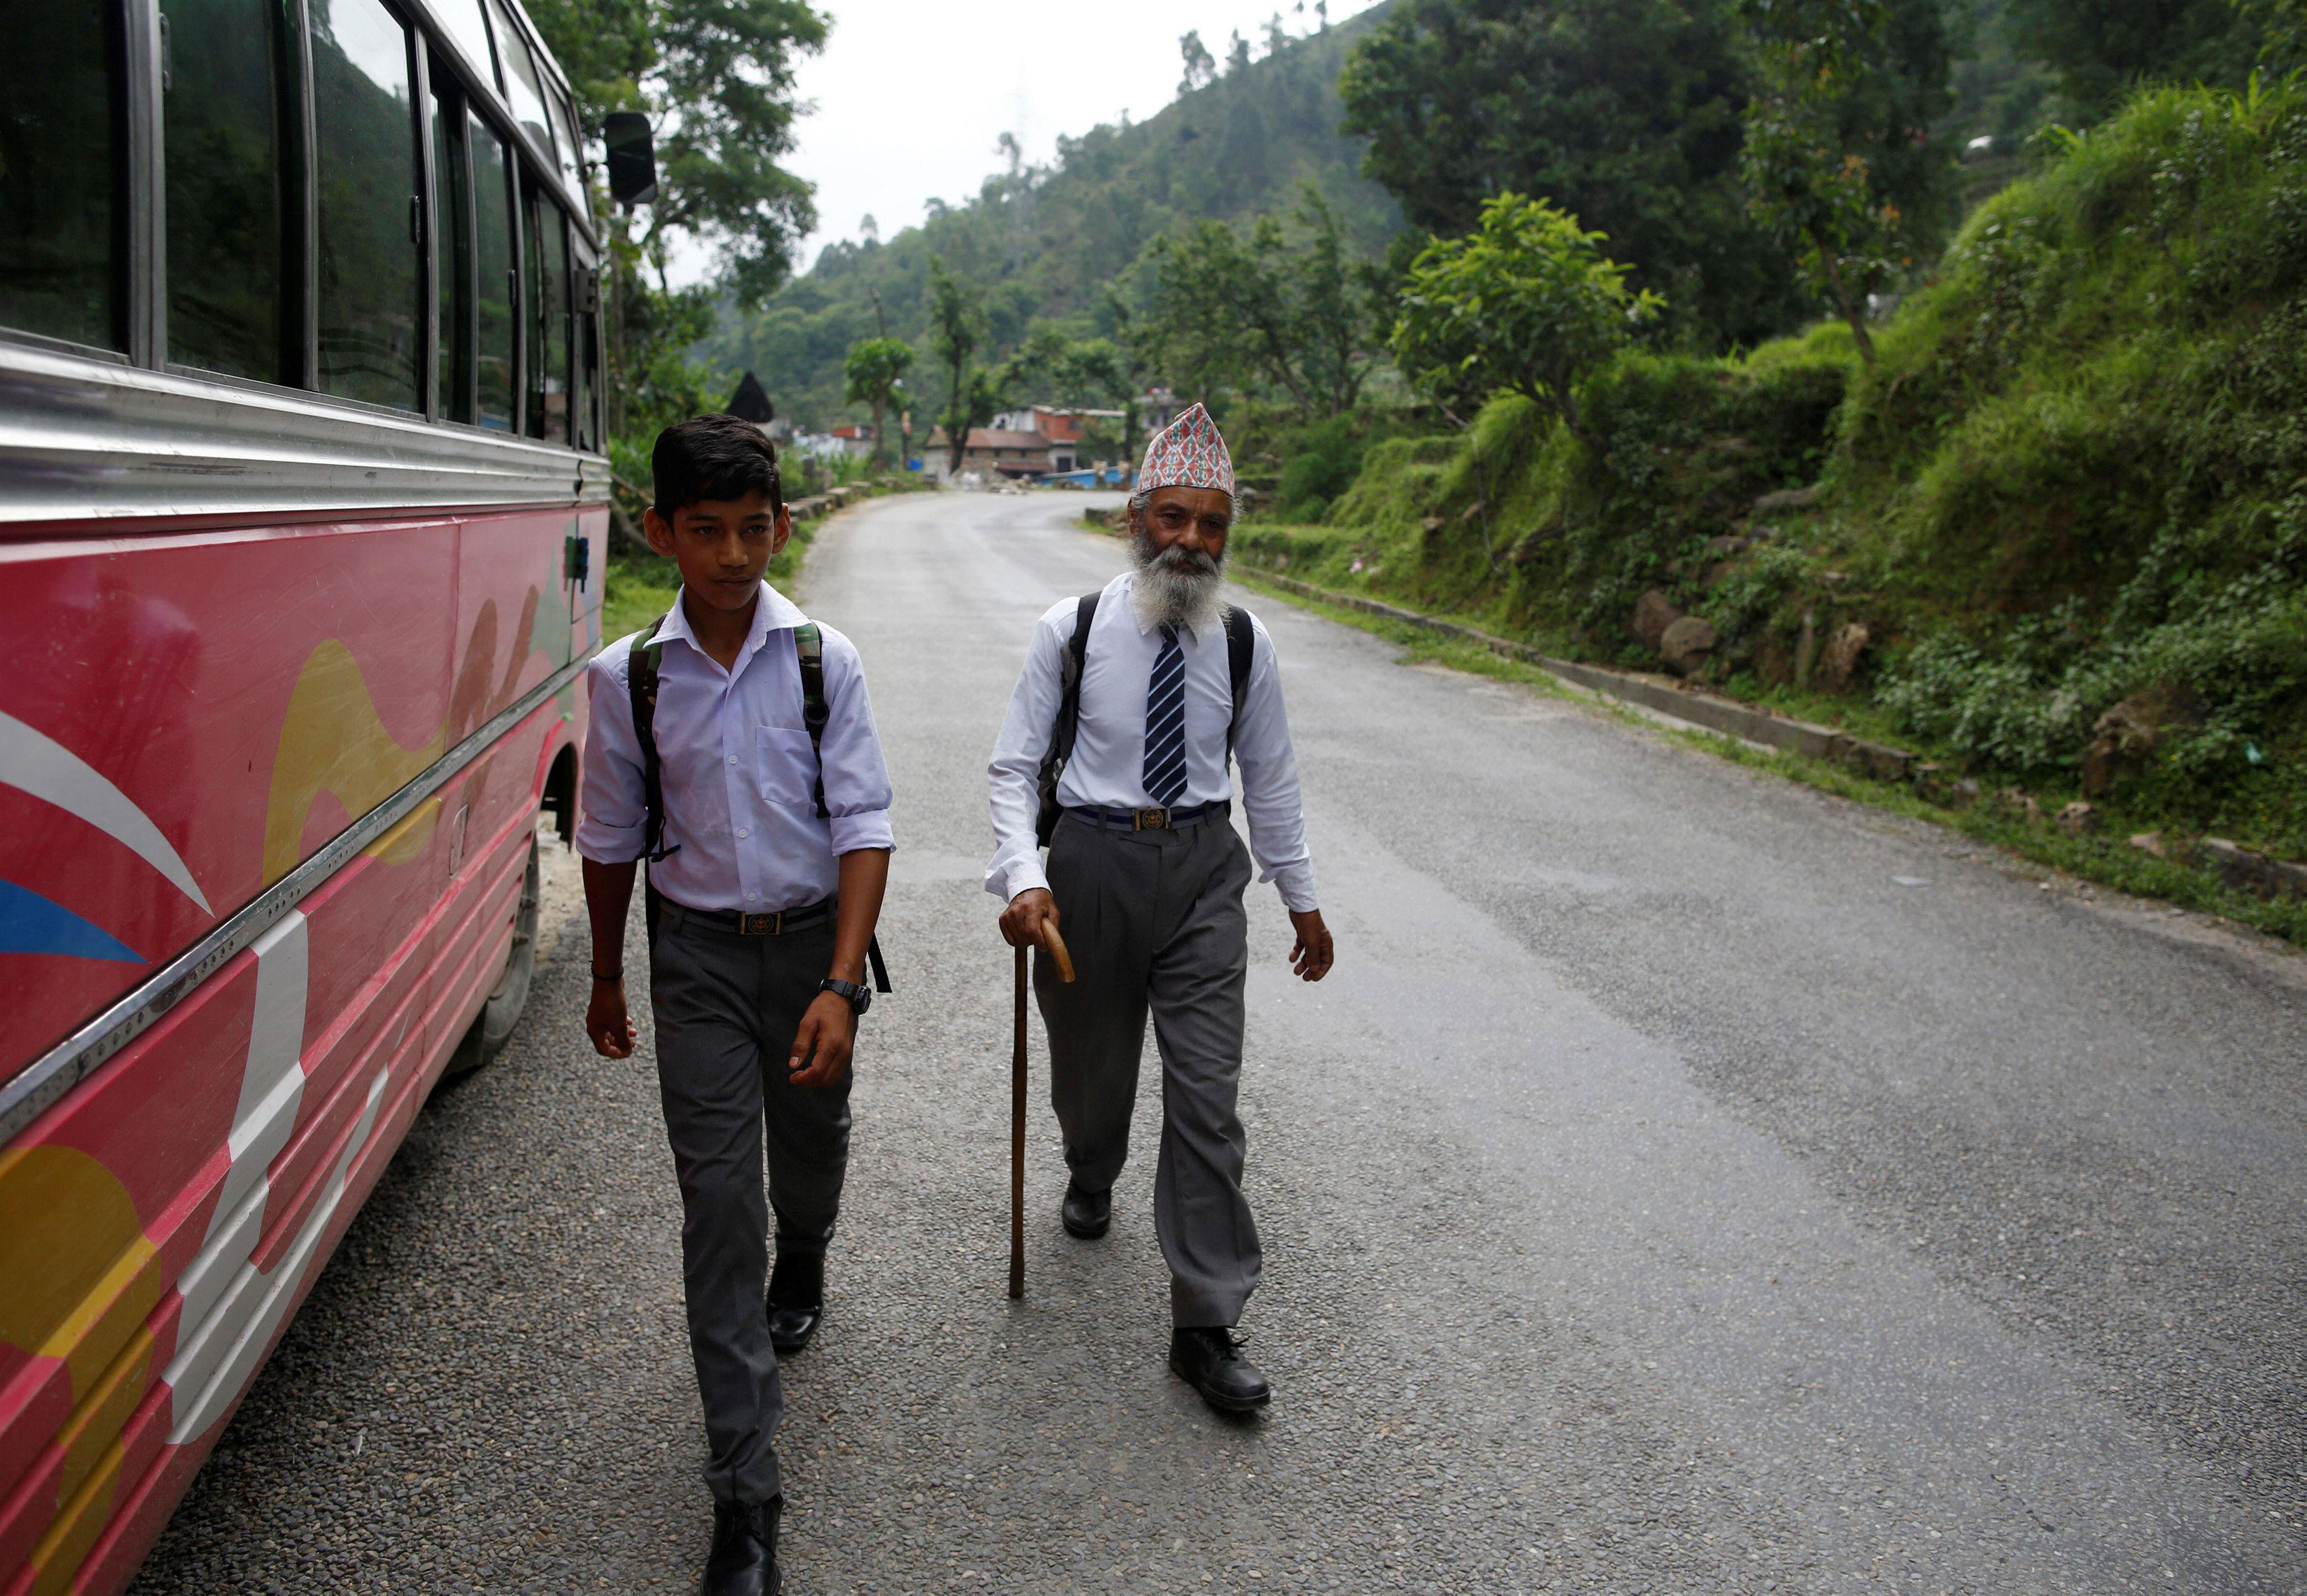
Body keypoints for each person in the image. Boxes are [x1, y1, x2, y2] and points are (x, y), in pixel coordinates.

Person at [577, 413, 894, 1596]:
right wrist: (609, 971)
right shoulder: (629, 677)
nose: (730, 556)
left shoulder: (824, 659)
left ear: (780, 527)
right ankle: (746, 1497)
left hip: (815, 945)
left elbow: (863, 826)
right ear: (659, 531)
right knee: (718, 1207)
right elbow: (608, 838)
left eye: (752, 529)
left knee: (808, 1148)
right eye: (703, 531)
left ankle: (806, 1251)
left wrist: (839, 984)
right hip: (697, 959)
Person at [985, 402, 1335, 1414]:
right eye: (1173, 517)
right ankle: (1091, 1164)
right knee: (1092, 1073)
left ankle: (1205, 1318)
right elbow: (1013, 768)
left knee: (1207, 1095)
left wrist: (1301, 899)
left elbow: (1270, 777)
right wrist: (1025, 874)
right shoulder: (1076, 627)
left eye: (1212, 524)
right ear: (1135, 518)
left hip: (1201, 872)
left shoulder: (1242, 643)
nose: (1191, 540)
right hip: (1090, 861)